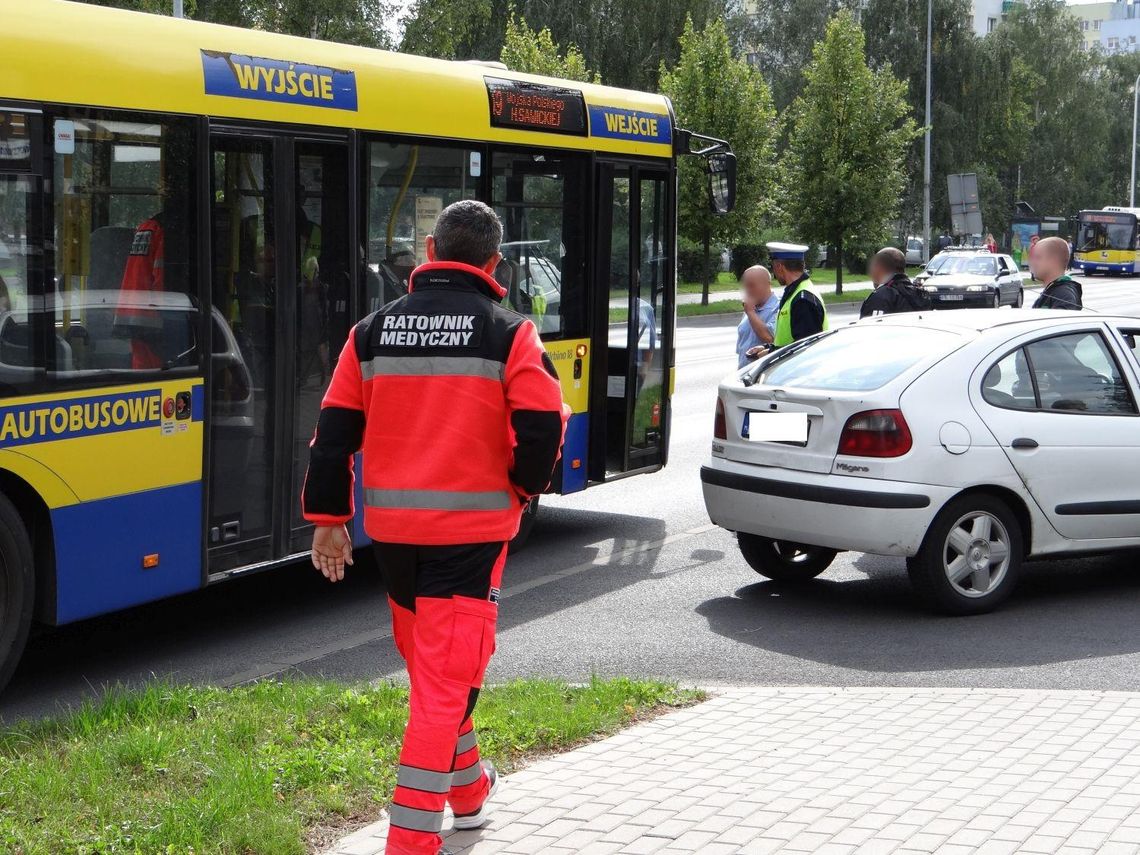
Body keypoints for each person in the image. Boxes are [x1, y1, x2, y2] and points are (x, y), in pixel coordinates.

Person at [302, 199, 569, 855]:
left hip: (393, 540)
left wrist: (331, 519)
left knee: (436, 677)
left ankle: (471, 794)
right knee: (443, 687)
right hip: (470, 541)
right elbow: (545, 423)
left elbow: (333, 432)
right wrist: (520, 488)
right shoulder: (510, 333)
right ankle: (410, 843)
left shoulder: (371, 332)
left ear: (429, 249)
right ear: (495, 262)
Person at [765, 242, 828, 350]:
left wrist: (770, 353)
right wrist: (769, 348)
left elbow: (804, 348)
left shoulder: (802, 300)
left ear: (779, 266)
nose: (773, 272)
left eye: (772, 266)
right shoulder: (797, 291)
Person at [859, 247, 931, 318]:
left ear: (879, 267)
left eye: (872, 265)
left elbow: (872, 328)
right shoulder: (918, 293)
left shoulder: (881, 296)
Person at [736, 265, 779, 367]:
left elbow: (769, 338)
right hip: (744, 373)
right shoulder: (750, 308)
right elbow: (742, 349)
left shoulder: (778, 307)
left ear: (767, 284)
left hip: (762, 374)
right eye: (746, 286)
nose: (748, 290)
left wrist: (751, 313)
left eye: (752, 285)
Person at [1030, 236, 1083, 310]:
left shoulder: (1064, 295)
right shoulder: (1054, 290)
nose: (1032, 263)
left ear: (1053, 261)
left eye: (1038, 257)